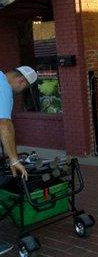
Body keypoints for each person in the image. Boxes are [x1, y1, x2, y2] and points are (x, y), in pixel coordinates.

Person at [0, 66, 37, 255]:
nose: (21, 91)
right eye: (23, 87)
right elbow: (4, 124)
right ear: (21, 81)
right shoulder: (3, 87)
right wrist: (14, 160)